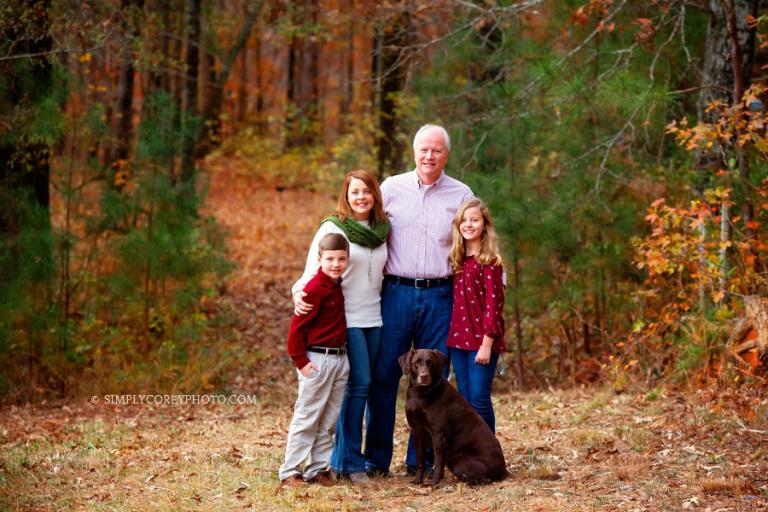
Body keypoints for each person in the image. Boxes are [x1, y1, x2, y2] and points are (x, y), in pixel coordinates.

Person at [364, 124, 474, 477]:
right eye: (424, 149)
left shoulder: (460, 193)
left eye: (437, 151)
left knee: (433, 381)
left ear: (447, 155)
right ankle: (376, 460)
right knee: (384, 376)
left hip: (441, 294)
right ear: (414, 152)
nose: (429, 156)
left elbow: (477, 242)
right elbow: (363, 232)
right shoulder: (391, 189)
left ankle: (420, 461)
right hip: (395, 292)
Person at [292, 170, 389, 485]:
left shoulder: (382, 229)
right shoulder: (334, 227)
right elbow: (312, 271)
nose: (361, 197)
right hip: (346, 319)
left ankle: (334, 462)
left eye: (366, 191)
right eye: (354, 191)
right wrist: (298, 295)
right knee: (359, 385)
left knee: (367, 386)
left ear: (375, 194)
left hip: (376, 317)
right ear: (346, 196)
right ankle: (348, 462)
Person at [279, 233, 351, 488]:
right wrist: (301, 362)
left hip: (340, 358)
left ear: (347, 260)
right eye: (330, 259)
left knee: (329, 419)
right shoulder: (313, 288)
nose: (335, 264)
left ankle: (318, 469)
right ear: (319, 259)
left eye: (341, 259)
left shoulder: (336, 285)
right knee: (307, 415)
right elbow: (295, 331)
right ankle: (290, 471)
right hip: (317, 360)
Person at [446, 198, 506, 431]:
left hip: (482, 342)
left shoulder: (490, 262)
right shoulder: (458, 260)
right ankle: (471, 454)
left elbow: (494, 305)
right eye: (464, 220)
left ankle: (488, 452)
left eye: (475, 220)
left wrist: (487, 343)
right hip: (459, 341)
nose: (469, 225)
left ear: (484, 224)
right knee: (466, 400)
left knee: (479, 399)